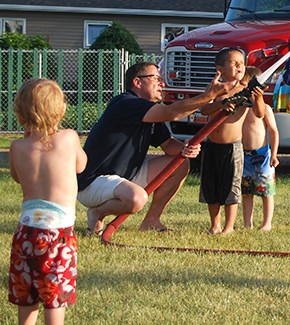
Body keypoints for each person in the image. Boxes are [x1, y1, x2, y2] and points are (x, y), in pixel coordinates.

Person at [78, 62, 235, 235]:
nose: (162, 83)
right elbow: (171, 113)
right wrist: (207, 96)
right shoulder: (126, 103)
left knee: (181, 164)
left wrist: (185, 149)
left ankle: (151, 221)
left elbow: (168, 146)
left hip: (124, 176)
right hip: (92, 182)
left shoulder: (149, 112)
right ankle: (97, 212)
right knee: (137, 199)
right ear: (138, 82)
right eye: (156, 78)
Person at [8, 79, 87, 325]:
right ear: (60, 110)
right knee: (55, 299)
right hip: (57, 236)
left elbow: (17, 176)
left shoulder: (17, 147)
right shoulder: (69, 138)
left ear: (21, 115)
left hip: (25, 234)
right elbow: (81, 165)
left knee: (27, 298)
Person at [198, 48, 264, 235]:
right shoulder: (214, 89)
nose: (239, 66)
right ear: (220, 69)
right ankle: (215, 224)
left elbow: (259, 113)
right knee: (211, 187)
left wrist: (258, 98)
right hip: (211, 145)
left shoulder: (245, 90)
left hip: (232, 147)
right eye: (234, 63)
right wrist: (221, 104)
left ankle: (229, 226)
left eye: (242, 63)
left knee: (230, 188)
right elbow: (204, 110)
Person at [241, 66, 279, 231]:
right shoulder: (241, 108)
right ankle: (247, 223)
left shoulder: (265, 109)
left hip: (262, 154)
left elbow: (273, 131)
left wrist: (274, 154)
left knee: (266, 190)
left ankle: (266, 223)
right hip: (244, 155)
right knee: (246, 191)